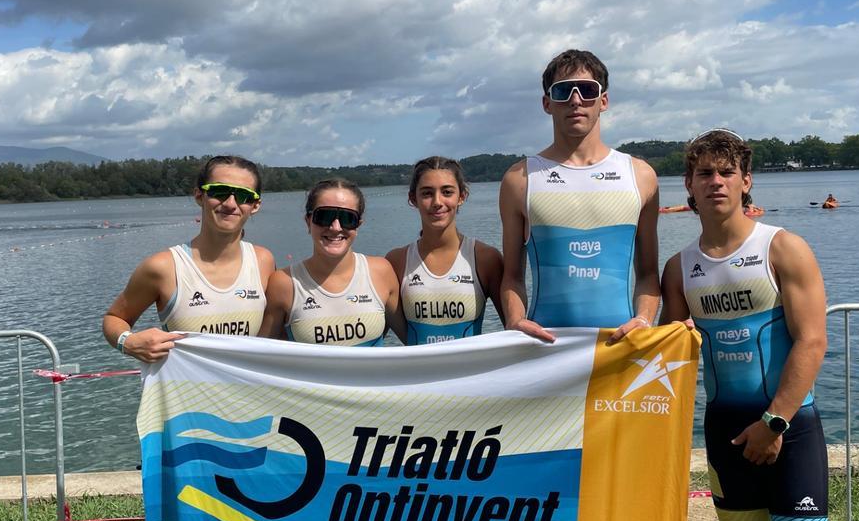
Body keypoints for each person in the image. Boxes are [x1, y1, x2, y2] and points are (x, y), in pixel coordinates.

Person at [661, 129, 829, 521]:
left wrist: (774, 423)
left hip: (788, 431)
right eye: (704, 173)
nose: (715, 181)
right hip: (724, 433)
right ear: (689, 185)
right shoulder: (678, 268)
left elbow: (811, 342)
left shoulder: (783, 248)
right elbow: (668, 356)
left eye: (726, 172)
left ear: (745, 181)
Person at [499, 49, 660, 343]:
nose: (575, 100)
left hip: (618, 345)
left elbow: (649, 274)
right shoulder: (519, 180)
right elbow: (512, 276)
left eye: (587, 90)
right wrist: (515, 320)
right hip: (545, 347)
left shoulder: (640, 176)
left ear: (604, 101)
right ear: (547, 103)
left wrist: (644, 319)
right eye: (563, 91)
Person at [103, 155, 276, 362]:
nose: (230, 204)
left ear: (255, 205)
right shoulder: (163, 267)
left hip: (247, 393)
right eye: (219, 191)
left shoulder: (263, 261)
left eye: (243, 196)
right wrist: (128, 342)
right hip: (187, 393)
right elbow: (115, 318)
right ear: (199, 196)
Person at [260, 178, 404, 346]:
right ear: (308, 221)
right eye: (325, 216)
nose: (336, 227)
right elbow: (262, 355)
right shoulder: (284, 283)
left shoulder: (381, 272)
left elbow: (414, 343)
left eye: (347, 218)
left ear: (358, 225)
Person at [385, 156, 504, 344]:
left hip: (472, 373)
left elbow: (514, 330)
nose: (437, 202)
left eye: (447, 192)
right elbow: (374, 338)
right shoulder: (396, 261)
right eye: (426, 193)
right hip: (418, 373)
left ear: (462, 197)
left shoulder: (485, 258)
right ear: (412, 199)